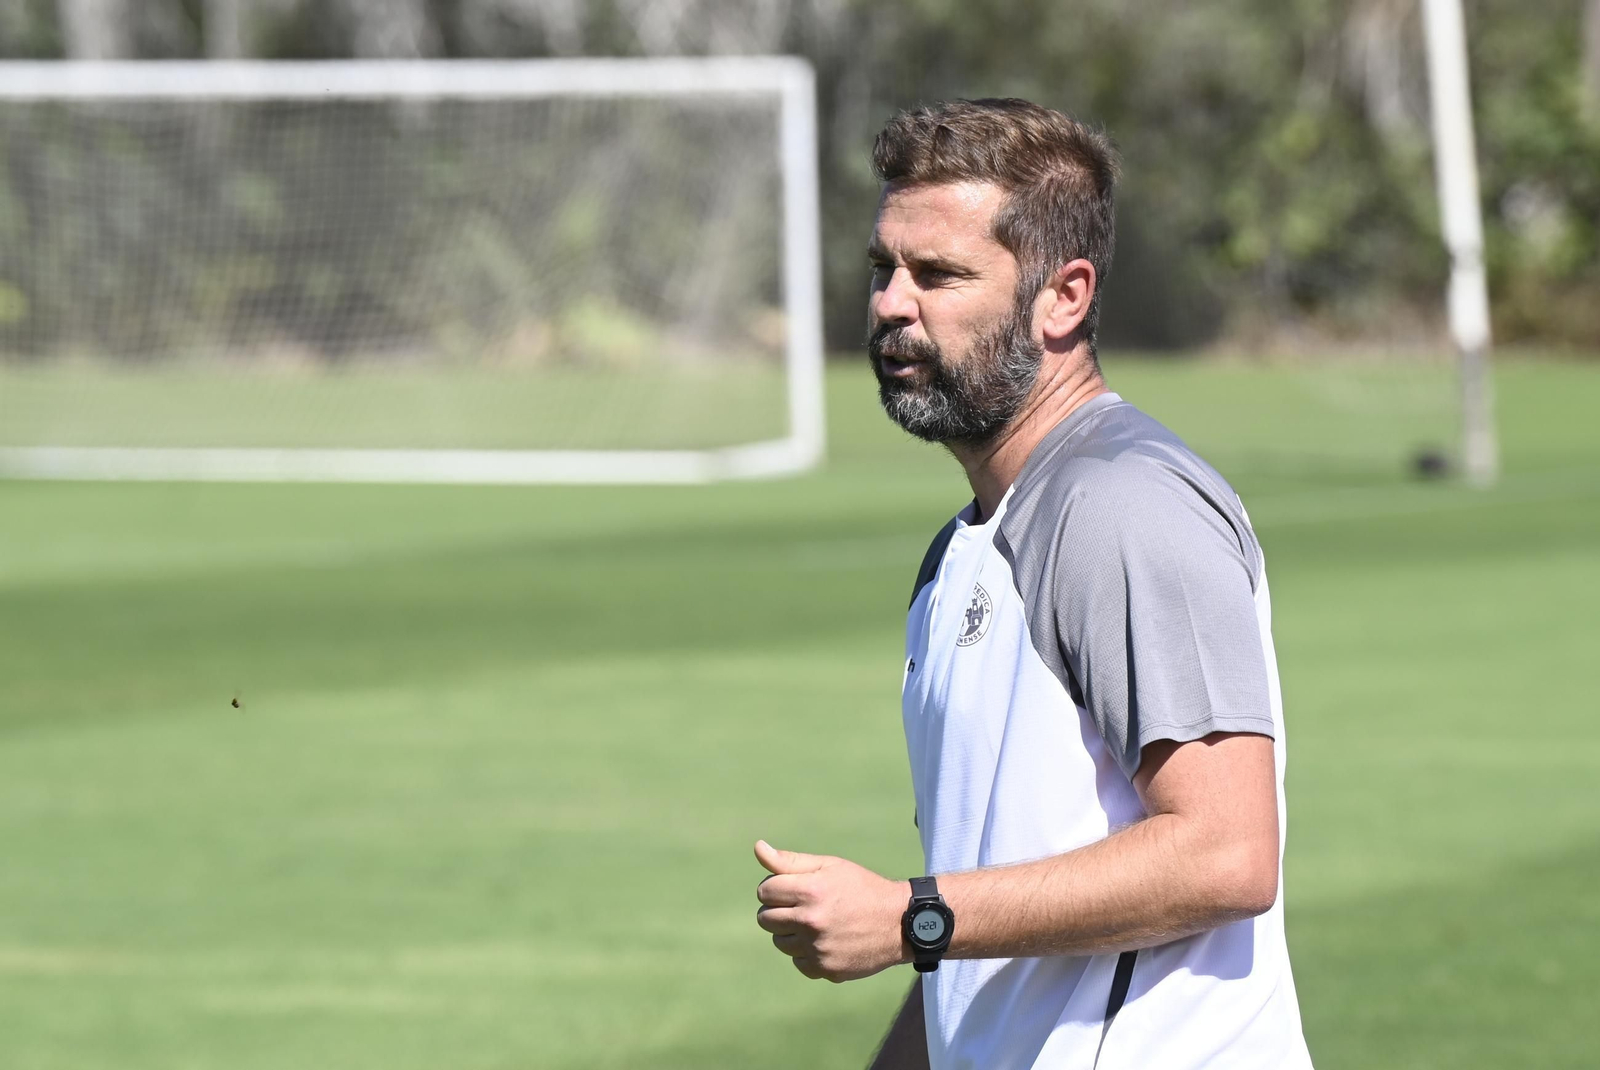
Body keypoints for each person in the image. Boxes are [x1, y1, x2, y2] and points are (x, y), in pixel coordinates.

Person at [753, 98, 1314, 1070]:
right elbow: (983, 924)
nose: (891, 302)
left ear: (1064, 296)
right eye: (882, 268)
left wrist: (909, 914)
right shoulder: (964, 547)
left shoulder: (1122, 502)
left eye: (938, 274)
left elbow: (1225, 852)